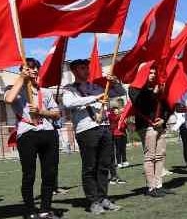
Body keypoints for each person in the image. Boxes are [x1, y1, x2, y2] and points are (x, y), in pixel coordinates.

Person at [62, 59, 125, 215]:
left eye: (87, 68)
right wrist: (94, 98)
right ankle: (93, 201)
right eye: (82, 68)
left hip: (104, 127)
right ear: (74, 71)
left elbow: (120, 93)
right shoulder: (69, 89)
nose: (87, 70)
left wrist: (116, 82)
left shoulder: (96, 86)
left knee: (104, 166)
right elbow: (68, 103)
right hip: (86, 130)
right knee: (90, 167)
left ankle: (103, 197)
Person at [4, 58, 62, 219]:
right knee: (29, 174)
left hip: (48, 132)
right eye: (30, 67)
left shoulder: (46, 92)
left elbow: (57, 113)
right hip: (27, 133)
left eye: (36, 67)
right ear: (22, 70)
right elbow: (9, 100)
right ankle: (30, 210)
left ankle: (45, 209)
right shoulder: (13, 88)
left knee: (50, 173)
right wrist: (22, 78)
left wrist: (42, 112)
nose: (34, 70)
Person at [129, 65, 174, 197]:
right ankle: (150, 187)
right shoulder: (134, 89)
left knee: (160, 155)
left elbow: (167, 107)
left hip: (159, 125)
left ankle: (159, 185)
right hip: (146, 125)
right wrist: (154, 93)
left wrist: (163, 120)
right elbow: (141, 104)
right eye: (150, 73)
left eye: (155, 73)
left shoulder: (159, 88)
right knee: (150, 156)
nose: (153, 75)